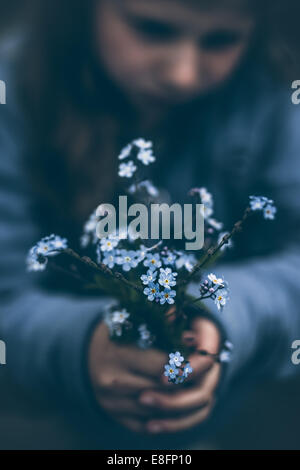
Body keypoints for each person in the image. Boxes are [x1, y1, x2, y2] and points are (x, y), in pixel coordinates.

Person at [0, 0, 300, 449]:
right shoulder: (15, 91)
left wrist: (220, 315)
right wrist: (85, 347)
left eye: (221, 40)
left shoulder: (275, 90)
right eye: (153, 29)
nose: (182, 73)